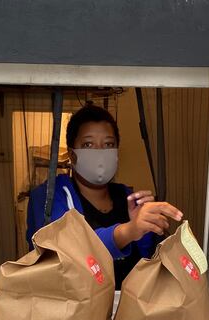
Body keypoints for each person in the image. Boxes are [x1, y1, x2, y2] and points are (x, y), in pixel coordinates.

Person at [26, 104, 183, 287]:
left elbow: (147, 264)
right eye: (88, 144)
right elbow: (68, 253)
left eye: (108, 144)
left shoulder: (128, 197)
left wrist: (148, 230)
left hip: (126, 308)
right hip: (75, 310)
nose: (100, 152)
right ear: (72, 154)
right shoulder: (49, 197)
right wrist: (129, 230)